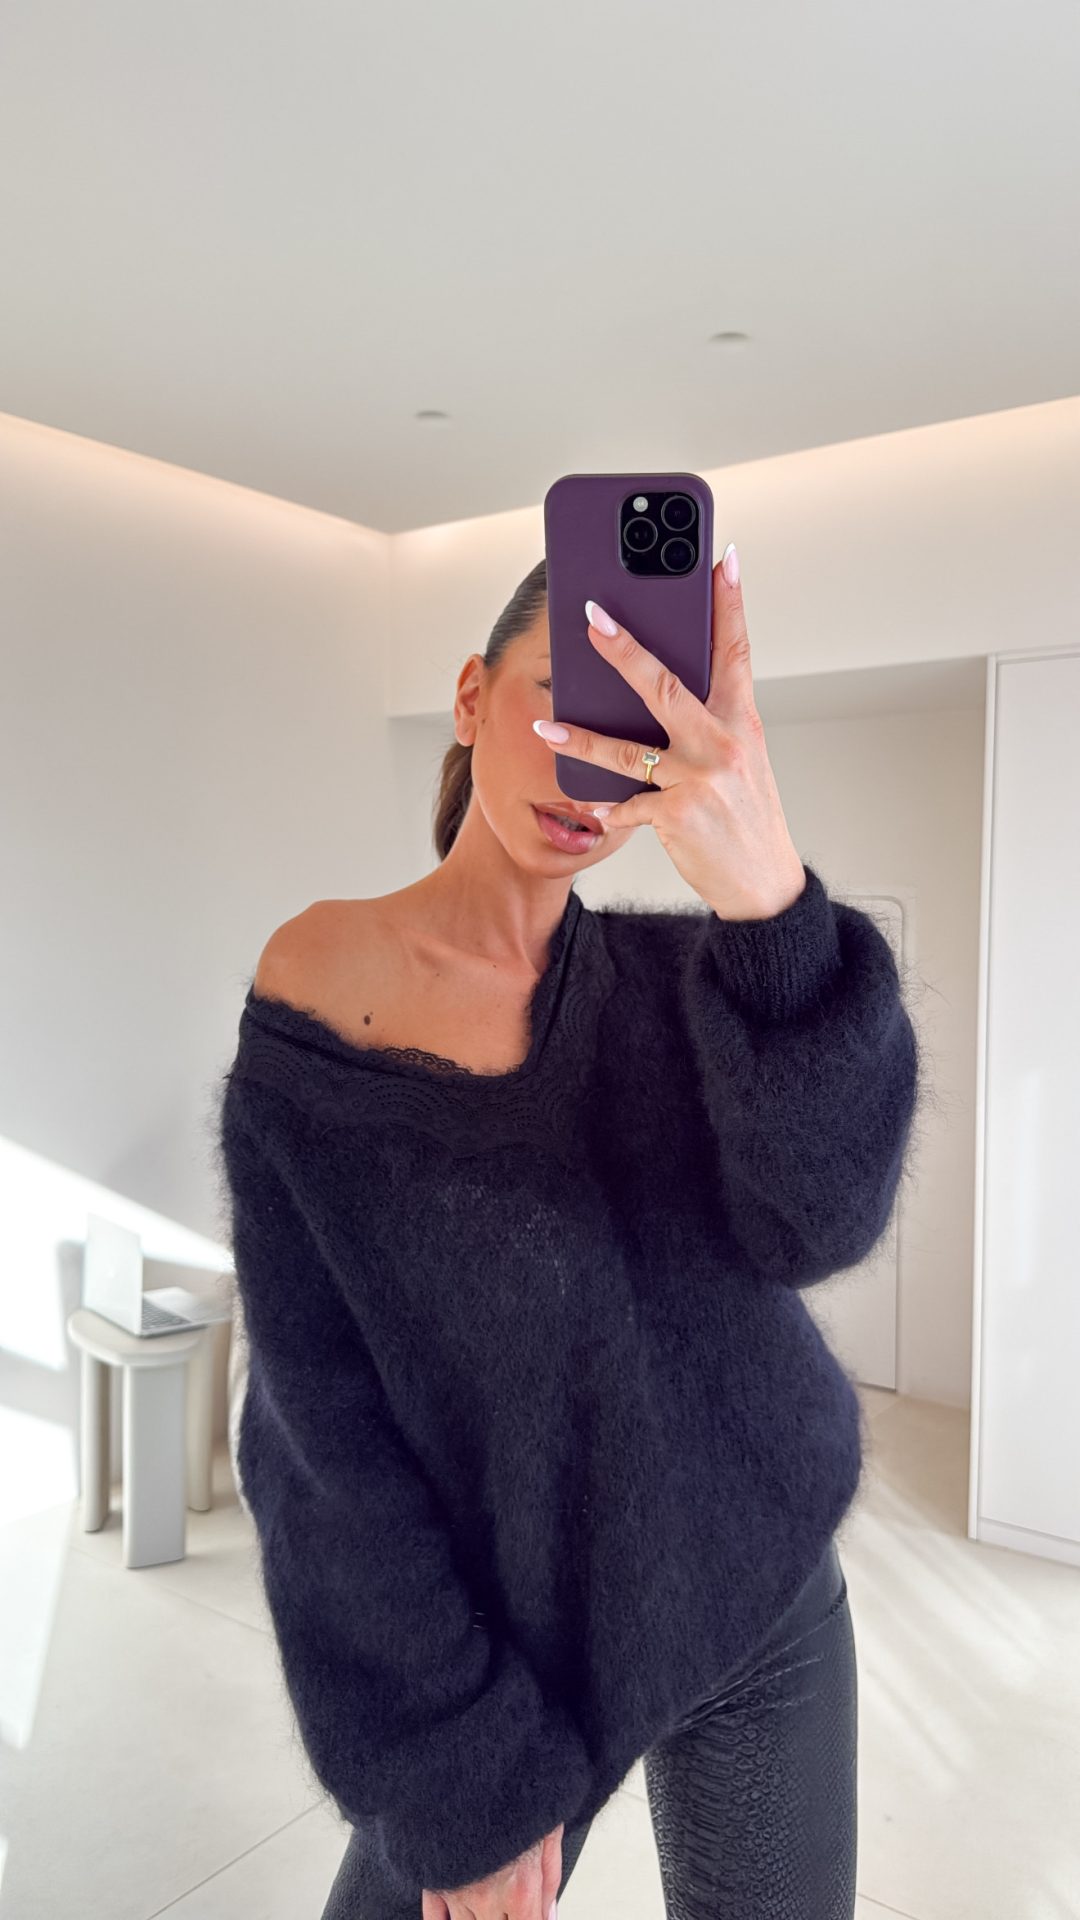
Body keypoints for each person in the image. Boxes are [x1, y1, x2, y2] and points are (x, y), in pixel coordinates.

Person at [216, 543, 921, 1920]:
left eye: (642, 729)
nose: (596, 764)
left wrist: (771, 902)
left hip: (759, 1585)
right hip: (520, 1645)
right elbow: (316, 1426)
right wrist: (457, 1773)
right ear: (470, 696)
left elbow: (822, 1224)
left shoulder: (691, 977)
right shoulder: (320, 979)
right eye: (566, 697)